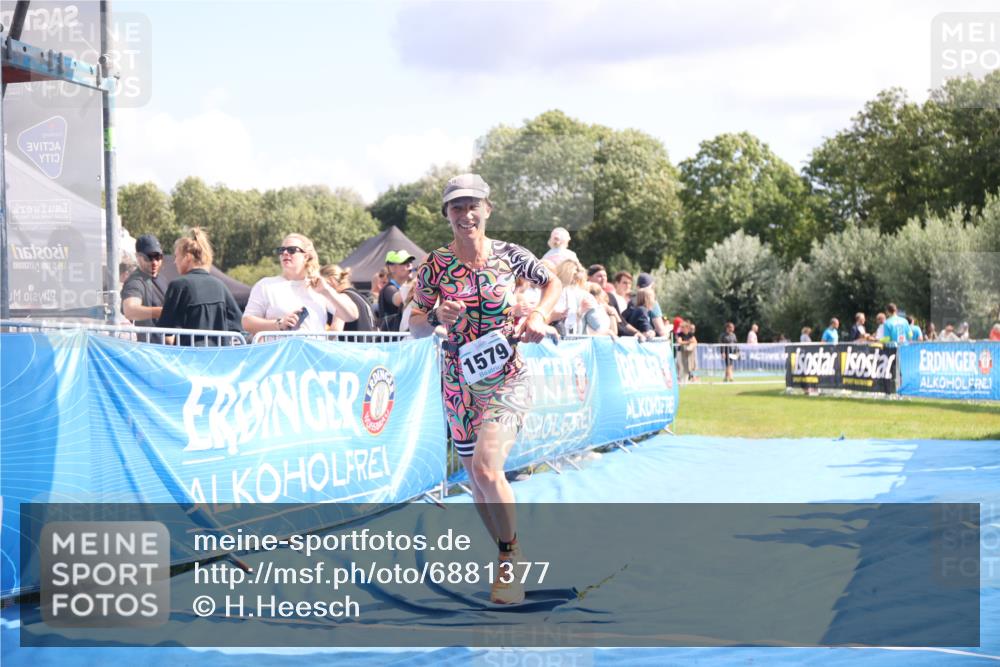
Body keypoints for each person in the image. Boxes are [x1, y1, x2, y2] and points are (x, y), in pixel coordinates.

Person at [409, 174, 560, 605]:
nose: (466, 214)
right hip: (458, 383)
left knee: (490, 467)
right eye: (456, 207)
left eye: (473, 205)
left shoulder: (512, 256)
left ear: (488, 210)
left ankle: (510, 560)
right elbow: (415, 325)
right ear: (447, 216)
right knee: (476, 477)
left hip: (507, 375)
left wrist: (538, 316)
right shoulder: (434, 266)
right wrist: (438, 315)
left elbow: (553, 282)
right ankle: (508, 550)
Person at [242, 233, 359, 338]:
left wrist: (327, 291)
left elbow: (352, 315)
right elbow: (247, 322)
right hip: (279, 357)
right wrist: (279, 324)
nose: (285, 253)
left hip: (313, 357)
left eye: (292, 250)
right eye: (281, 250)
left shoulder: (318, 285)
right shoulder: (266, 285)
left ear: (306, 256)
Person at [157, 228, 243, 346]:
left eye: (176, 256)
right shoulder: (220, 286)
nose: (174, 261)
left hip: (189, 358)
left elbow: (164, 328)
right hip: (218, 358)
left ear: (187, 257)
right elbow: (238, 322)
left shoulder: (178, 286)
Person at [121, 234, 167, 342]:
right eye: (149, 257)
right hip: (149, 351)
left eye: (158, 256)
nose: (154, 262)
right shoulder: (135, 282)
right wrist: (164, 312)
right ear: (138, 257)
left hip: (167, 349)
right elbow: (130, 310)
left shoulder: (162, 279)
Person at [320, 265, 376, 332]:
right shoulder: (359, 296)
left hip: (353, 342)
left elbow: (336, 330)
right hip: (369, 341)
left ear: (332, 281)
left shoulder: (341, 299)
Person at [379, 249, 416, 331]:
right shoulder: (388, 289)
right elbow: (399, 300)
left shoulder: (409, 286)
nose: (409, 265)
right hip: (391, 341)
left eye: (410, 262)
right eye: (404, 262)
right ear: (391, 268)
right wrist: (420, 276)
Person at [635, 273, 668, 337]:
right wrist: (667, 329)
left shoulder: (631, 301)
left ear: (637, 287)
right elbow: (661, 331)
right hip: (649, 343)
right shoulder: (652, 303)